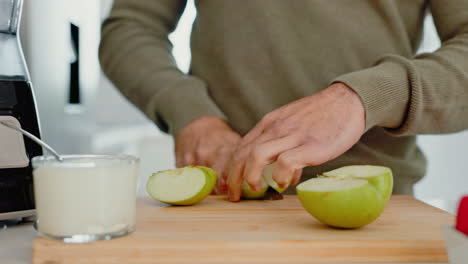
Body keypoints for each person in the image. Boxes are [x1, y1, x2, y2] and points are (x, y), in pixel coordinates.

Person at [99, 0, 468, 202]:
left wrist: (361, 98)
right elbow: (130, 28)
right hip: (226, 204)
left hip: (377, 216)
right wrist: (192, 115)